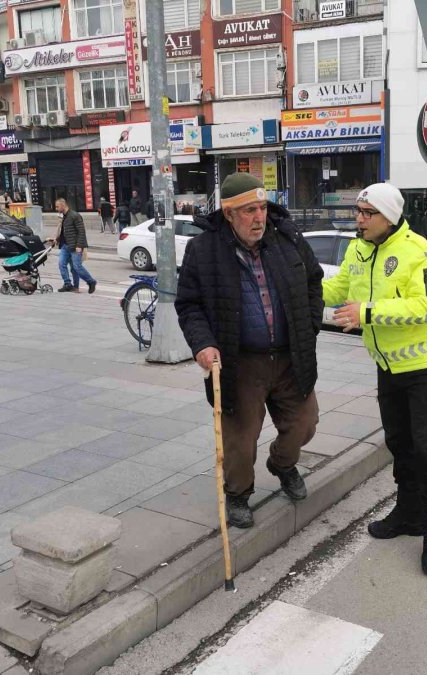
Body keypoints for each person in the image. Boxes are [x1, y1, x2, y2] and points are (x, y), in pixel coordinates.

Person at [175, 173, 323, 529]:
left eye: (262, 208)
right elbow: (189, 305)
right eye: (249, 211)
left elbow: (313, 282)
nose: (259, 217)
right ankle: (238, 494)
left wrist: (309, 325)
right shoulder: (203, 250)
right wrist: (203, 344)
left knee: (305, 423)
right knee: (240, 442)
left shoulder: (287, 238)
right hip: (239, 363)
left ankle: (282, 465)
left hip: (290, 357)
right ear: (228, 214)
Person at [322, 183, 427, 575]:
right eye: (358, 212)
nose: (358, 219)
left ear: (389, 216)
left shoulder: (419, 252)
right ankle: (408, 514)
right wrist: (301, 285)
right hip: (388, 368)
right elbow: (338, 289)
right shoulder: (358, 249)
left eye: (366, 213)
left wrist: (368, 312)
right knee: (399, 444)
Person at [53, 198, 96, 294]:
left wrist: (79, 245)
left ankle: (91, 281)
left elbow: (81, 231)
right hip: (65, 246)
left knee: (76, 267)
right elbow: (65, 232)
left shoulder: (75, 215)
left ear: (63, 205)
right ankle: (67, 284)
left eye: (57, 206)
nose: (56, 208)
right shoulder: (64, 216)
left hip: (75, 246)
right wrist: (57, 239)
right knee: (61, 264)